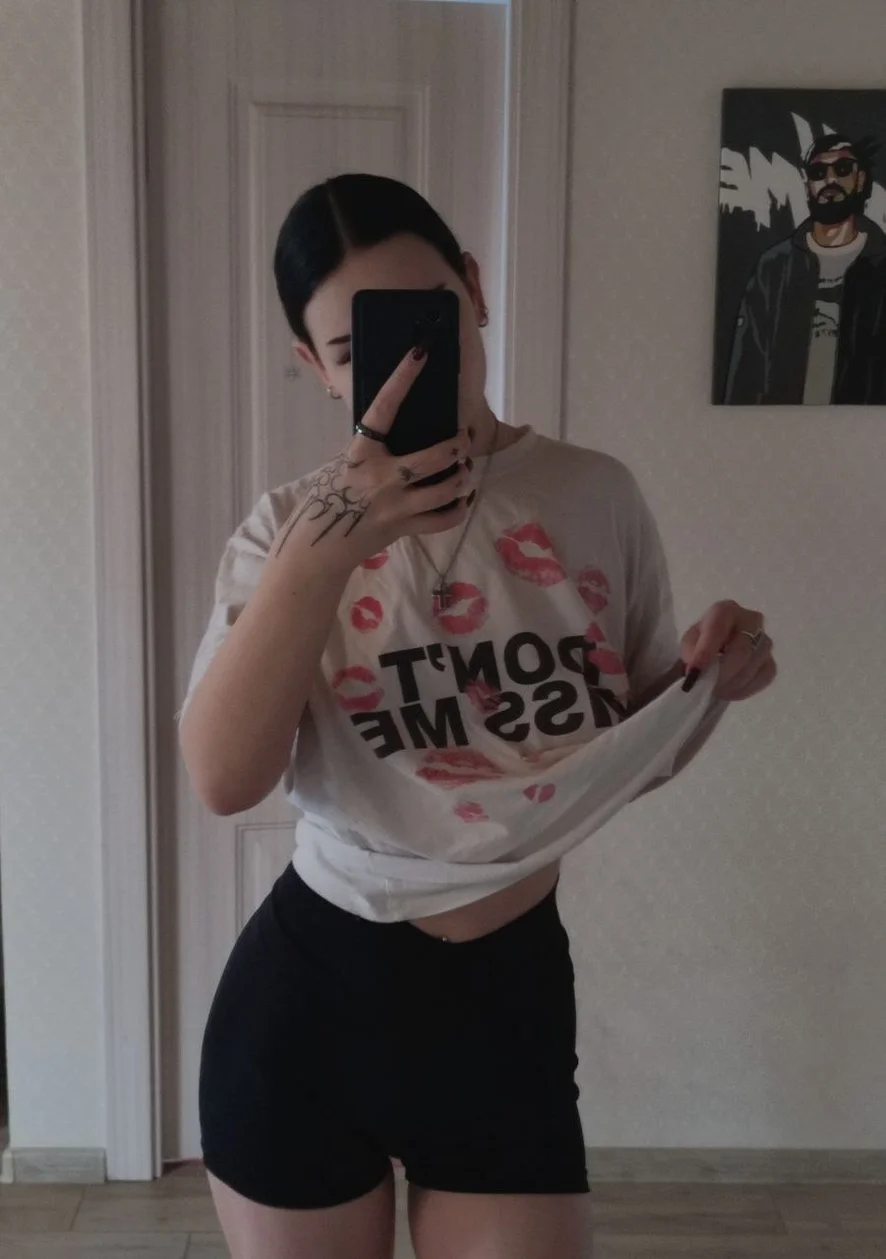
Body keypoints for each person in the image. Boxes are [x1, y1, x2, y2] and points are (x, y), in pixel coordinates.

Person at [179, 173, 777, 1259]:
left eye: (427, 322)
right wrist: (328, 548)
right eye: (361, 348)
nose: (410, 368)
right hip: (308, 1010)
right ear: (316, 365)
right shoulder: (283, 530)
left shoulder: (594, 496)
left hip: (508, 1007)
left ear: (475, 289)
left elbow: (619, 753)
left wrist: (708, 682)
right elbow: (225, 779)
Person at [725, 133, 886, 405]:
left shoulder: (881, 264)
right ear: (807, 184)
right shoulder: (774, 266)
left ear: (860, 179)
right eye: (818, 172)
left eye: (843, 169)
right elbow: (747, 369)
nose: (830, 180)